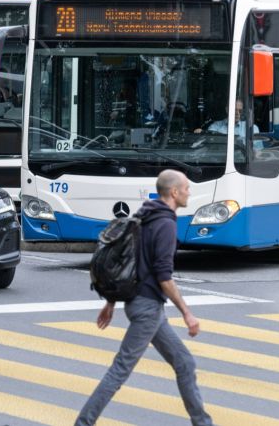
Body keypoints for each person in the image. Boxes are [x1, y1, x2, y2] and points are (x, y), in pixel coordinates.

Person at [75, 170, 213, 426]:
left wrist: (110, 302)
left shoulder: (144, 215)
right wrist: (187, 313)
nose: (189, 192)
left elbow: (125, 259)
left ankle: (202, 422)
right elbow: (164, 277)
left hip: (143, 305)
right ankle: (83, 423)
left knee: (184, 362)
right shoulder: (165, 224)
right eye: (186, 188)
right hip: (147, 307)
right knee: (120, 369)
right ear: (174, 192)